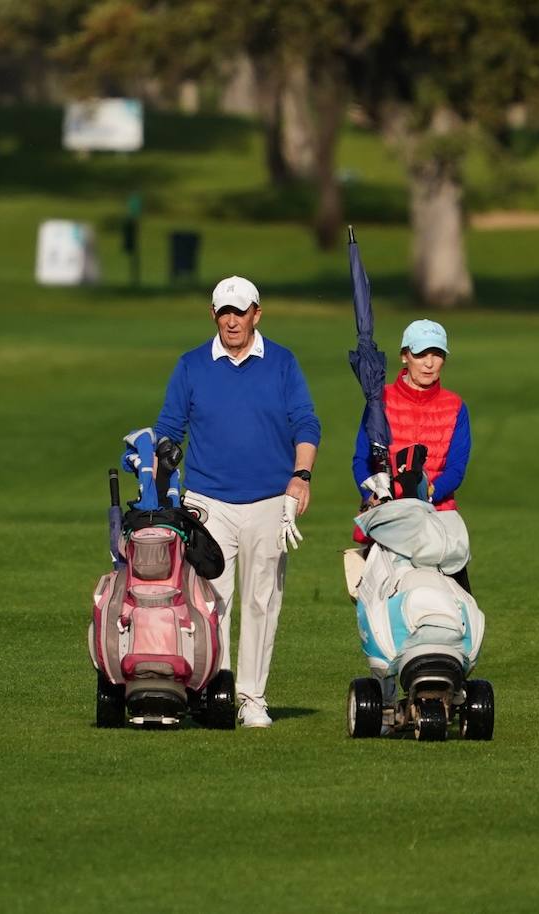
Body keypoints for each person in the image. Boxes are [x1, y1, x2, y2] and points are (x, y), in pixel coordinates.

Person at [154, 276, 320, 729]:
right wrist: (159, 484)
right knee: (211, 600)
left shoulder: (282, 363)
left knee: (262, 600)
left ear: (256, 314)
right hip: (208, 501)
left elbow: (306, 424)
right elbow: (169, 428)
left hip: (270, 499)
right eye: (224, 311)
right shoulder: (191, 366)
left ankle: (251, 697)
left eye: (240, 311)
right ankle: (216, 691)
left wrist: (300, 478)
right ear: (213, 314)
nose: (232, 320)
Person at [351, 319, 472, 589]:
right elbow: (361, 460)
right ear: (405, 356)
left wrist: (425, 491)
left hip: (438, 524)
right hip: (387, 521)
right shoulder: (378, 401)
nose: (429, 363)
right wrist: (372, 494)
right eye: (420, 354)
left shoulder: (455, 406)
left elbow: (456, 469)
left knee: (457, 618)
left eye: (437, 354)